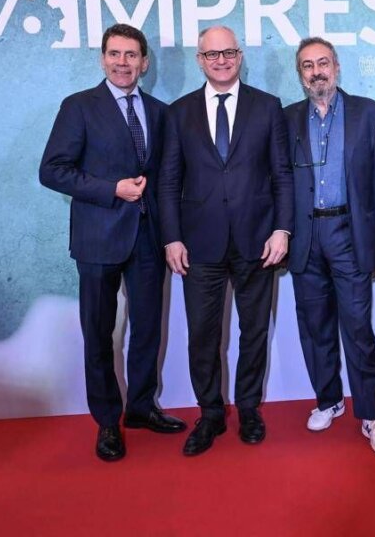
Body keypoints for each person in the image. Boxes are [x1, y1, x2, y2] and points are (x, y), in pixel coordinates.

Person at [39, 23, 187, 462]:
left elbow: (168, 178)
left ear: (144, 62)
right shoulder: (79, 106)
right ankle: (107, 421)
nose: (123, 63)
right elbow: (52, 170)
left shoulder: (161, 112)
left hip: (148, 239)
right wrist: (112, 189)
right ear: (103, 59)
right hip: (97, 238)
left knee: (147, 329)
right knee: (99, 333)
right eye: (115, 54)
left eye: (131, 55)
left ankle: (141, 407)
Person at [159, 25, 293, 457]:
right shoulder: (178, 113)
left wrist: (282, 229)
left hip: (258, 241)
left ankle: (249, 408)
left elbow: (282, 174)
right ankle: (211, 413)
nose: (221, 61)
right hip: (199, 245)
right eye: (212, 54)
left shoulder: (267, 107)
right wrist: (172, 237)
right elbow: (168, 182)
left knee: (254, 330)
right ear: (199, 60)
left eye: (228, 52)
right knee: (202, 334)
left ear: (240, 55)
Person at [284, 37, 375, 456]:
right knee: (315, 327)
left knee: (358, 328)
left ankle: (371, 414)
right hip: (305, 235)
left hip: (349, 233)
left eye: (323, 63)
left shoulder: (369, 112)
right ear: (300, 74)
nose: (317, 71)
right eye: (308, 65)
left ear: (337, 66)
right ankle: (328, 399)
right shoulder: (287, 118)